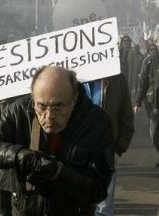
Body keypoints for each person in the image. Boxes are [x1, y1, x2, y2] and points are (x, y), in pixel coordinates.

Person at [0, 66, 115, 215]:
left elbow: (99, 189)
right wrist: (21, 156)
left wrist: (59, 173)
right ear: (33, 98)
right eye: (41, 106)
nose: (49, 116)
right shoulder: (20, 111)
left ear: (74, 98)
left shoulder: (98, 123)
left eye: (58, 106)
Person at [83, 74, 134, 216]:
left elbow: (127, 118)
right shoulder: (70, 77)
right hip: (76, 151)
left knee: (103, 208)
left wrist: (118, 149)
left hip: (105, 153)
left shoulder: (117, 80)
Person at [134, 45, 159, 173]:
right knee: (154, 133)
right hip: (154, 104)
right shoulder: (148, 62)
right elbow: (143, 83)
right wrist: (138, 101)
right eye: (151, 50)